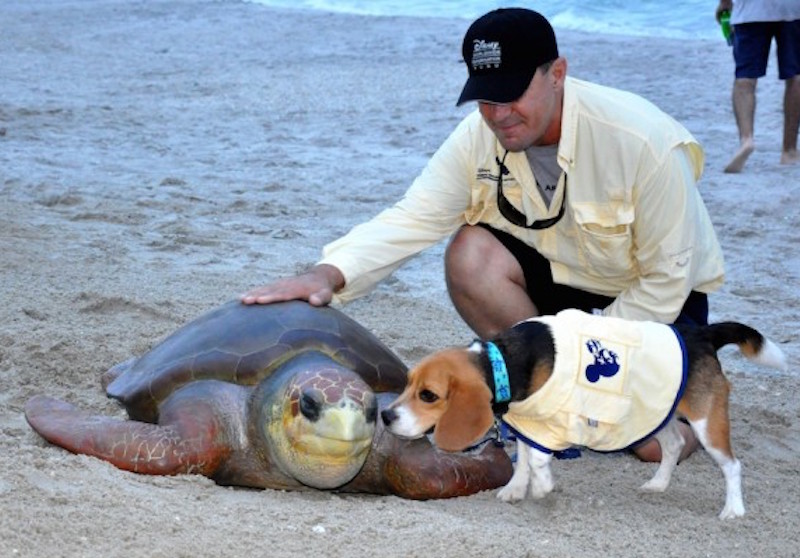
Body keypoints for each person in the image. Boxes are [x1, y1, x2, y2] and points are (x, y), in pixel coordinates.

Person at [242, 8, 725, 462]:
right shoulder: (479, 137)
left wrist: (582, 354)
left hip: (651, 299)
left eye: (512, 93)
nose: (498, 115)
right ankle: (536, 395)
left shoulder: (643, 141)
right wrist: (329, 273)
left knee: (650, 448)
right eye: (485, 98)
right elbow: (414, 216)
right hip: (560, 283)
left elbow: (667, 277)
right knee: (470, 253)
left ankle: (669, 399)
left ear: (557, 73)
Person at [715, 0, 800, 173]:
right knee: (796, 77)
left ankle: (746, 140)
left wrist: (724, 3)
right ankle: (789, 150)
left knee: (745, 79)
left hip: (750, 9)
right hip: (793, 8)